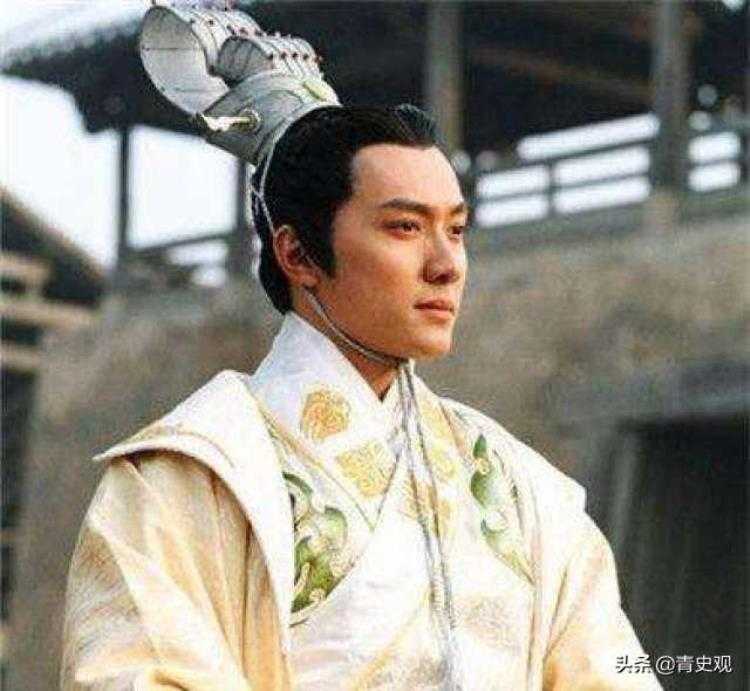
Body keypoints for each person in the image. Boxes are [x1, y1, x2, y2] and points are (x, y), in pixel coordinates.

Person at [61, 6, 660, 690]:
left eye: (456, 230)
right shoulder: (187, 480)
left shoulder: (527, 492)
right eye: (405, 227)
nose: (446, 266)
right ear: (297, 254)